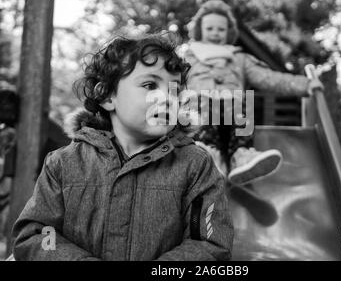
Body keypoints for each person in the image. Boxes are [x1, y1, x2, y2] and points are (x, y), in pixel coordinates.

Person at [11, 34, 234, 261]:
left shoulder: (195, 164)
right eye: (149, 85)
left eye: (175, 90)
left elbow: (208, 243)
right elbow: (37, 234)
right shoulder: (63, 163)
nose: (167, 98)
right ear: (107, 96)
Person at [180, 0, 323, 185]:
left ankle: (241, 156)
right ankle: (208, 155)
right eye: (210, 29)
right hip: (200, 112)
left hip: (232, 111)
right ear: (200, 31)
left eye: (221, 29)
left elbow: (269, 78)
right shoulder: (187, 57)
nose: (215, 33)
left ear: (229, 32)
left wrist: (305, 84)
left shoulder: (240, 58)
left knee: (242, 102)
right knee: (199, 104)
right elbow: (168, 81)